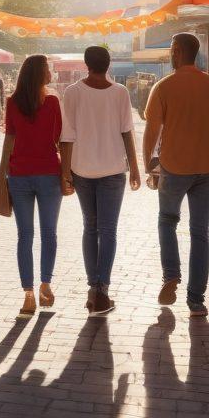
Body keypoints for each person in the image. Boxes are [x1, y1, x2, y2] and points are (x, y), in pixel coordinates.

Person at [142, 32, 209, 318]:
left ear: (178, 51)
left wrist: (148, 163)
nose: (170, 53)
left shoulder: (164, 86)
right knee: (200, 231)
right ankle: (196, 301)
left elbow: (152, 129)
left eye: (170, 49)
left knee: (167, 221)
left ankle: (171, 274)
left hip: (174, 166)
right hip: (207, 167)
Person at [59, 46, 141, 315]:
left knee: (90, 228)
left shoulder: (72, 92)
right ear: (109, 65)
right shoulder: (120, 92)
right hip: (114, 170)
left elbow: (66, 136)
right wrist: (135, 168)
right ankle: (101, 290)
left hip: (81, 169)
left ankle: (93, 287)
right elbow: (127, 132)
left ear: (86, 64)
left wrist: (65, 172)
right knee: (108, 231)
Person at [4, 54, 69, 318]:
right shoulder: (52, 102)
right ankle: (45, 284)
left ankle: (28, 294)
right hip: (47, 173)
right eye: (48, 68)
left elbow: (9, 136)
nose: (51, 72)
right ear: (41, 73)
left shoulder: (12, 103)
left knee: (24, 235)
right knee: (49, 233)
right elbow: (58, 137)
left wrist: (3, 173)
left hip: (19, 173)